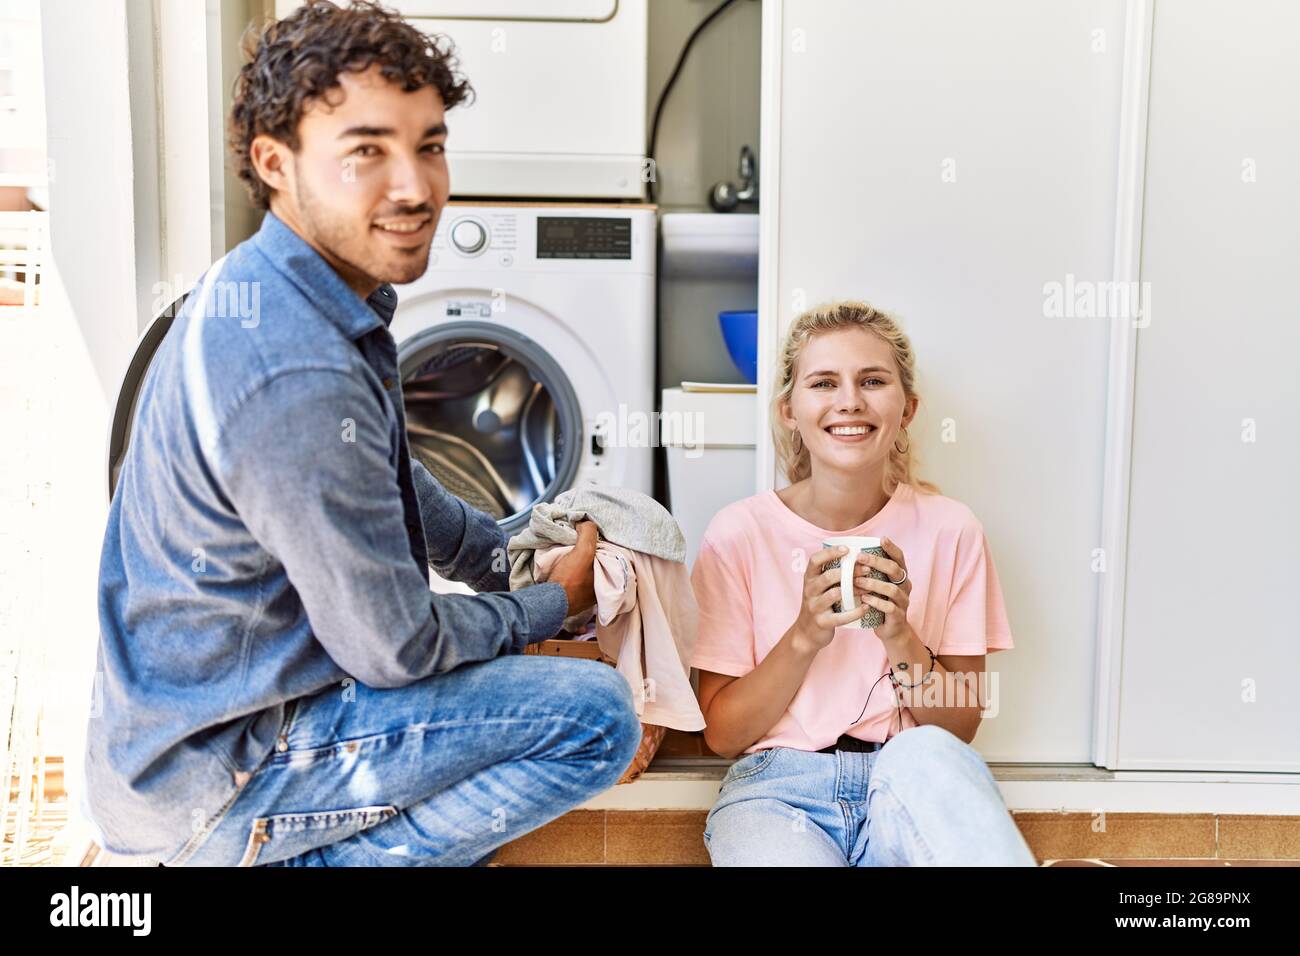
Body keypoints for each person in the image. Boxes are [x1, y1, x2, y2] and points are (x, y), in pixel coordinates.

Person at [84, 0, 641, 867]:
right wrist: (550, 604)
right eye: (367, 153)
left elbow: (390, 476)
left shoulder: (291, 290)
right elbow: (398, 649)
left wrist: (501, 556)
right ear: (275, 163)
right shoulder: (292, 366)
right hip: (224, 777)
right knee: (594, 718)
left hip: (179, 745)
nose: (416, 187)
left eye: (429, 145)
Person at [689, 300, 1037, 866]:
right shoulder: (739, 533)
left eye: (872, 381)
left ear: (907, 409)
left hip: (905, 774)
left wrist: (900, 634)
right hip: (777, 791)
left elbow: (961, 726)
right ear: (789, 410)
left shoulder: (952, 529)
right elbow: (723, 736)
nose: (849, 400)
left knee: (929, 756)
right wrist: (804, 635)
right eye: (824, 382)